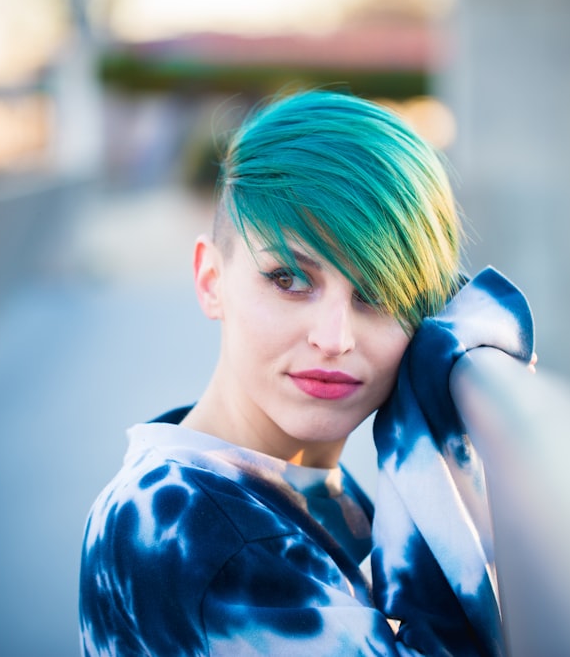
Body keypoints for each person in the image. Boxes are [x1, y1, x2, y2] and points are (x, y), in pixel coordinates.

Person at [79, 90, 535, 656]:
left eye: (380, 293)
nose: (335, 337)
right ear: (211, 280)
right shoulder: (207, 535)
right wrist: (430, 432)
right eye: (289, 279)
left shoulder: (281, 493)